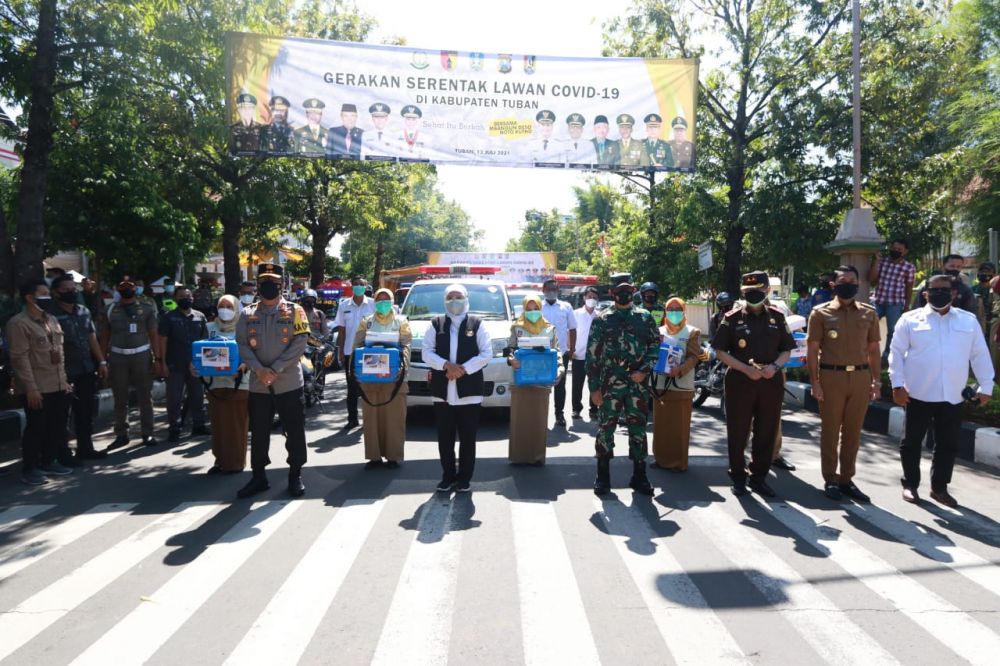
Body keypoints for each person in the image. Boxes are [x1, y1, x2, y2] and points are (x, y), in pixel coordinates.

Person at [890, 274, 994, 507]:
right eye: (933, 290)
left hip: (953, 395)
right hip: (918, 393)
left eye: (944, 289)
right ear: (925, 293)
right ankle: (910, 485)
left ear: (954, 292)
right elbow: (895, 354)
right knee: (911, 442)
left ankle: (939, 488)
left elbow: (979, 354)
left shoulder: (967, 321)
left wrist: (986, 386)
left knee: (948, 444)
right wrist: (897, 385)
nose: (939, 293)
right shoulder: (910, 319)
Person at [713, 271, 795, 497]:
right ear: (743, 292)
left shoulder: (777, 317)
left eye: (758, 291)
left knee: (766, 430)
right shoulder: (732, 317)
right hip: (741, 380)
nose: (753, 296)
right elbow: (720, 351)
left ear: (767, 290)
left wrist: (775, 367)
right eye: (749, 292)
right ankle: (738, 476)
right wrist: (745, 369)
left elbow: (786, 350)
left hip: (770, 380)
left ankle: (758, 477)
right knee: (738, 430)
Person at [235, 263, 311, 498]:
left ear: (281, 285)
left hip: (288, 382)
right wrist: (259, 370)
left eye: (273, 282)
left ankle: (295, 474)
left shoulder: (295, 310)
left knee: (294, 430)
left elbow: (300, 343)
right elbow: (242, 344)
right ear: (258, 285)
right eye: (264, 282)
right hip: (259, 384)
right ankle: (259, 476)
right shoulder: (248, 313)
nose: (268, 286)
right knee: (258, 432)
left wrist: (275, 369)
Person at [806, 265, 881, 502]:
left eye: (851, 280)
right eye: (842, 280)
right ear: (833, 285)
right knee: (830, 431)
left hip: (860, 378)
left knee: (853, 433)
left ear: (858, 284)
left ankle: (847, 479)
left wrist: (876, 381)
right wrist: (814, 382)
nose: (847, 283)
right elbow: (812, 350)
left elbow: (874, 350)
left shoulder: (869, 313)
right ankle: (831, 479)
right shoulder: (820, 313)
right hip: (831, 378)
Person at [587, 276, 660, 495]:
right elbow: (592, 356)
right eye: (620, 290)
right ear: (612, 292)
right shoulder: (602, 319)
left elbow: (655, 347)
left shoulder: (645, 317)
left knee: (638, 429)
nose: (624, 294)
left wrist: (644, 370)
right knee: (606, 429)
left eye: (627, 290)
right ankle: (603, 476)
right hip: (610, 384)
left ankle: (640, 475)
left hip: (637, 384)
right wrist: (594, 388)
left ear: (633, 291)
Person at [423, 284, 492, 492]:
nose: (454, 301)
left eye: (458, 296)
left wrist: (462, 369)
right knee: (445, 437)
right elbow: (427, 352)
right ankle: (448, 476)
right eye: (450, 297)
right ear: (444, 300)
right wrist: (446, 366)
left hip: (469, 391)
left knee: (468, 438)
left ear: (466, 299)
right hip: (443, 391)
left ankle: (464, 479)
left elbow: (486, 353)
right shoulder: (436, 324)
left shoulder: (477, 324)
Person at [7, 280, 75, 485]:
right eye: (43, 294)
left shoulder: (51, 319)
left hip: (56, 384)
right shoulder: (18, 323)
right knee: (36, 427)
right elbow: (20, 359)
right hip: (36, 386)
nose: (48, 297)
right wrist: (31, 389)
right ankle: (30, 467)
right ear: (29, 297)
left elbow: (59, 354)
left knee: (56, 425)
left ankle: (49, 460)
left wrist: (64, 382)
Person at [50, 274, 108, 461]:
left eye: (72, 289)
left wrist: (101, 361)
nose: (71, 292)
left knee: (85, 411)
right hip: (63, 371)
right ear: (56, 293)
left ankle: (86, 448)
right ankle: (63, 453)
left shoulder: (83, 311)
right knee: (61, 414)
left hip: (86, 368)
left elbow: (92, 338)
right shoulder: (50, 314)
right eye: (65, 290)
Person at [353, 288, 412, 469]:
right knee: (372, 419)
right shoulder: (367, 322)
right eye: (380, 299)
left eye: (387, 299)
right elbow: (358, 345)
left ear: (392, 300)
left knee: (394, 418)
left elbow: (407, 345)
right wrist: (355, 368)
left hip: (394, 378)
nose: (383, 302)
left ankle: (393, 456)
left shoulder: (401, 321)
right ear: (375, 302)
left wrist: (402, 366)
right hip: (370, 377)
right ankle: (374, 457)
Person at [102, 276, 159, 450]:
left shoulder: (147, 308)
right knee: (120, 397)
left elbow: (153, 335)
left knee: (145, 396)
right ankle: (121, 433)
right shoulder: (110, 309)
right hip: (118, 357)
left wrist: (158, 359)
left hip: (141, 355)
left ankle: (147, 432)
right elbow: (104, 336)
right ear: (118, 289)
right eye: (123, 285)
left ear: (136, 288)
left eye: (130, 285)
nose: (126, 288)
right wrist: (103, 361)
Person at [507, 294, 563, 464]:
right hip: (520, 380)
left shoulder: (549, 328)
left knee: (539, 421)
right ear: (524, 309)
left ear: (541, 308)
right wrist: (511, 360)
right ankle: (518, 457)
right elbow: (508, 349)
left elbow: (557, 351)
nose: (532, 312)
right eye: (529, 309)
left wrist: (560, 369)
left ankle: (537, 457)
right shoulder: (516, 327)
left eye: (536, 308)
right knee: (520, 421)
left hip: (542, 380)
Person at [650, 298, 702, 471]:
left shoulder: (692, 332)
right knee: (661, 424)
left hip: (681, 386)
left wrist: (679, 369)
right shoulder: (658, 331)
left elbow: (694, 357)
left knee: (679, 427)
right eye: (670, 309)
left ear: (683, 310)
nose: (673, 312)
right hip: (660, 385)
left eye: (677, 309)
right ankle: (660, 459)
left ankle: (679, 462)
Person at [157, 286, 210, 442]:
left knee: (198, 397)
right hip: (175, 364)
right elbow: (162, 340)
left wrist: (204, 363)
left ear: (193, 298)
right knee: (174, 398)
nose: (185, 298)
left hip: (195, 365)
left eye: (188, 296)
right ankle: (175, 428)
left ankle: (198, 425)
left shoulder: (200, 317)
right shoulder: (168, 317)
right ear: (176, 299)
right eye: (181, 296)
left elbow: (205, 341)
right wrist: (162, 362)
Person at [204, 294, 249, 474]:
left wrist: (244, 366)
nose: (225, 310)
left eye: (229, 307)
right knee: (218, 424)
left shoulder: (243, 328)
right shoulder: (209, 328)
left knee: (237, 426)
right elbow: (200, 351)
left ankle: (236, 463)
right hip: (215, 384)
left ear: (237, 309)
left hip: (239, 384)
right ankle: (220, 461)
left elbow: (251, 353)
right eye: (222, 306)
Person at [334, 276, 375, 429]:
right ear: (352, 287)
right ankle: (352, 419)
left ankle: (369, 419)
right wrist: (340, 352)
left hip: (369, 351)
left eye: (361, 284)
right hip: (350, 352)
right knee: (351, 388)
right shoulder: (344, 305)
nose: (358, 286)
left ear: (366, 287)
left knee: (369, 386)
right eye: (356, 284)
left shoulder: (373, 304)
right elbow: (342, 329)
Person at [869, 238, 916, 358]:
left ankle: (887, 356)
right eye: (894, 248)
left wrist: (906, 306)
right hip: (878, 301)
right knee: (867, 325)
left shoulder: (909, 267)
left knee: (893, 330)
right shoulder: (882, 262)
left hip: (895, 303)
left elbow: (909, 288)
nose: (896, 251)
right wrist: (876, 262)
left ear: (905, 252)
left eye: (899, 249)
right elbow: (872, 280)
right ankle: (866, 352)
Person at [541, 278, 576, 426]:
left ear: (558, 290)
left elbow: (572, 329)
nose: (551, 291)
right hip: (540, 352)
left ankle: (559, 414)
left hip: (560, 352)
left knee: (560, 385)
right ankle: (540, 415)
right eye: (548, 289)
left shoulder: (566, 307)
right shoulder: (537, 307)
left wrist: (572, 349)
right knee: (541, 384)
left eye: (554, 289)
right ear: (543, 290)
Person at [572, 286, 601, 419]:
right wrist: (570, 348)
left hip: (595, 357)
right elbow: (570, 332)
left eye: (594, 298)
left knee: (594, 383)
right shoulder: (576, 314)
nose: (592, 299)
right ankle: (576, 409)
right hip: (578, 355)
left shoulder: (600, 316)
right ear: (584, 298)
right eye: (589, 297)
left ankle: (593, 409)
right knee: (577, 384)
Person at [973, 262, 996, 338]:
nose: (984, 273)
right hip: (977, 325)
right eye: (982, 271)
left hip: (993, 326)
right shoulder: (971, 290)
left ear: (994, 274)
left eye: (987, 271)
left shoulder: (996, 290)